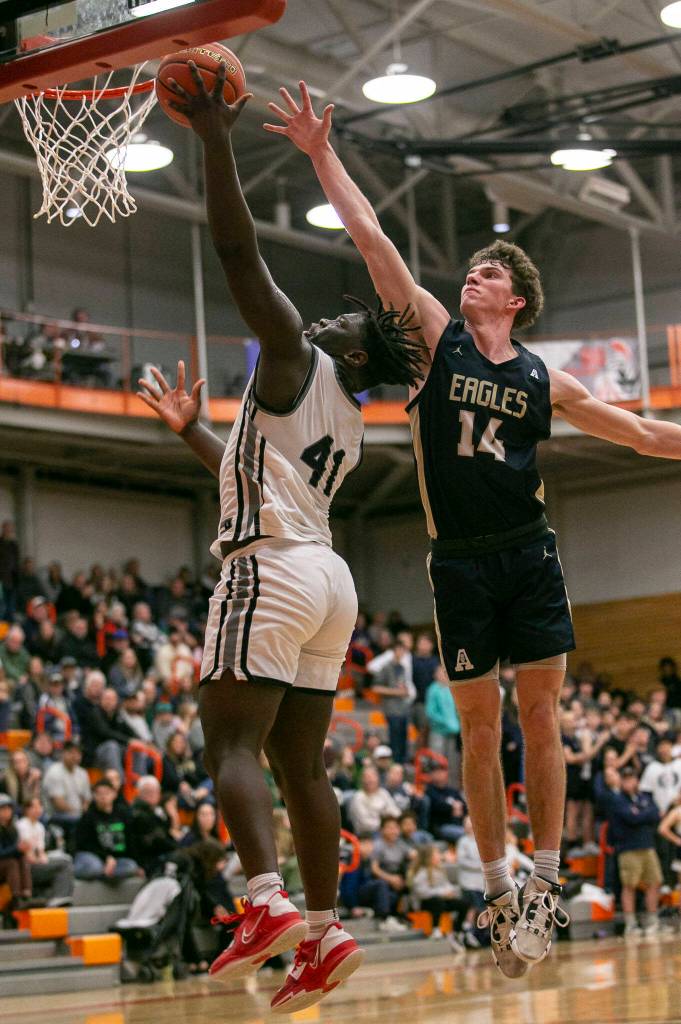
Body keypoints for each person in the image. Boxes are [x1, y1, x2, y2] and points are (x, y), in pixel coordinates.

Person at [265, 79, 681, 975]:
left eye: (489, 272)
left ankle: (541, 880)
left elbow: (646, 433)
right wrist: (318, 151)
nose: (472, 276)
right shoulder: (433, 336)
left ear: (516, 302)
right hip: (455, 562)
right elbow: (372, 237)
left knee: (542, 715)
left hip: (528, 555)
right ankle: (497, 892)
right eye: (472, 270)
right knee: (482, 729)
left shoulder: (543, 379)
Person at [136, 61, 423, 1014]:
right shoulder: (344, 410)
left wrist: (214, 139)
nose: (333, 313)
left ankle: (264, 903)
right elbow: (254, 474)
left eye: (349, 317)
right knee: (303, 764)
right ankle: (326, 924)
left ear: (348, 345)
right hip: (328, 579)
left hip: (272, 569)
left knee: (226, 742)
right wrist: (191, 431)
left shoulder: (300, 352)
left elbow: (234, 256)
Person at [603, 766, 662, 937]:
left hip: (648, 845)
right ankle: (631, 924)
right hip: (628, 848)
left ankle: (653, 921)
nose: (629, 782)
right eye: (626, 778)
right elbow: (632, 818)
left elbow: (656, 814)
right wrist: (644, 815)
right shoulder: (617, 799)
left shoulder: (645, 796)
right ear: (621, 781)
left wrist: (641, 815)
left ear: (637, 780)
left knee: (654, 882)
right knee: (629, 885)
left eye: (632, 778)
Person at [73, 779, 139, 882]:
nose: (103, 797)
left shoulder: (123, 814)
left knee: (131, 866)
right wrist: (106, 858)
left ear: (114, 794)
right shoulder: (88, 816)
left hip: (118, 859)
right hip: (95, 857)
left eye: (107, 793)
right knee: (94, 868)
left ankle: (106, 875)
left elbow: (130, 841)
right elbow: (84, 844)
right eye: (99, 794)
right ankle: (104, 874)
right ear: (94, 796)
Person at [16, 797, 74, 907]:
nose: (38, 810)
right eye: (34, 807)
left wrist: (43, 859)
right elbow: (27, 854)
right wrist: (41, 860)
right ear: (26, 809)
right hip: (26, 867)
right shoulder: (22, 825)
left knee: (66, 859)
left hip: (37, 862)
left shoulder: (40, 826)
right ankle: (59, 896)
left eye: (40, 806)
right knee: (64, 864)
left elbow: (41, 851)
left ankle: (61, 897)